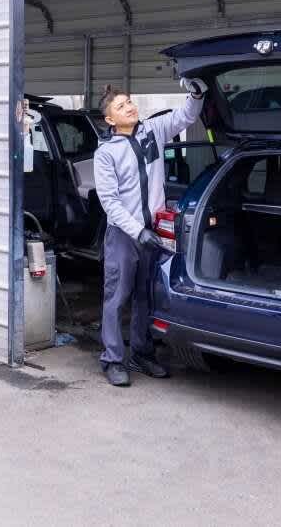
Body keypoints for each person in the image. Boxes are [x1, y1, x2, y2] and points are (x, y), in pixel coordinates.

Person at [92, 78, 208, 386]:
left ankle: (141, 354)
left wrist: (196, 93)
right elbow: (110, 203)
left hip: (151, 232)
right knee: (117, 298)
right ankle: (112, 359)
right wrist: (137, 232)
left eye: (129, 102)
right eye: (120, 106)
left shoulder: (153, 132)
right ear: (110, 119)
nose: (129, 107)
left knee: (146, 296)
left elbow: (185, 116)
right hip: (123, 236)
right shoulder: (106, 153)